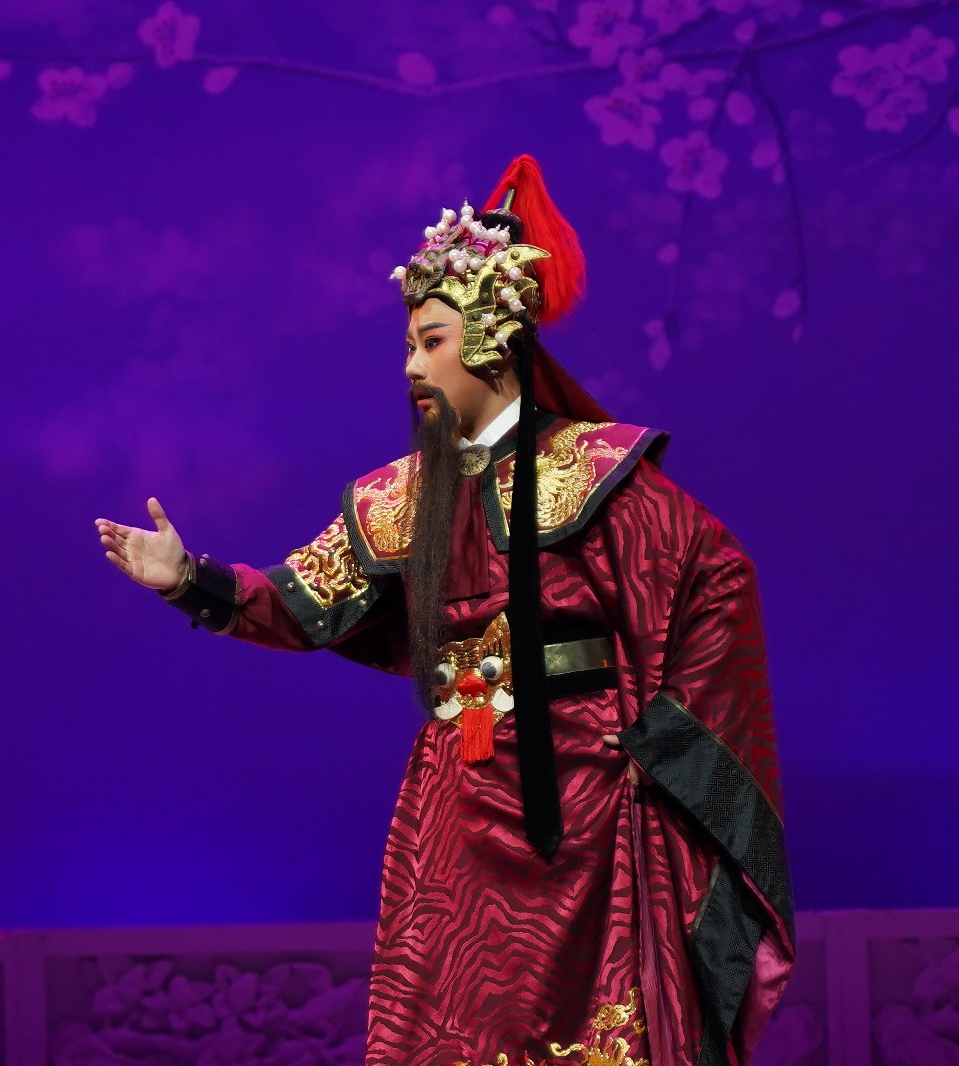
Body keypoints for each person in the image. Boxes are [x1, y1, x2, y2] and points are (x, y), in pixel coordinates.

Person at [95, 157, 793, 1066]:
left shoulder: (598, 475)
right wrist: (189, 578)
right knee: (449, 1015)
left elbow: (713, 579)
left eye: (430, 341)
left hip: (588, 796)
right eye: (409, 344)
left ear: (495, 336)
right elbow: (303, 600)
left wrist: (661, 744)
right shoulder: (403, 497)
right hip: (457, 791)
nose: (410, 366)